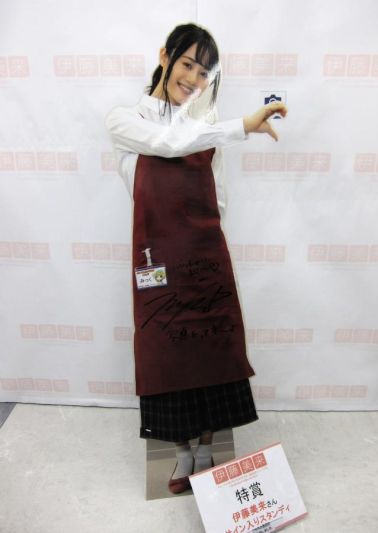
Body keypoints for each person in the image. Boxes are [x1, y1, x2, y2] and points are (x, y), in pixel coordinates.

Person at [105, 22, 287, 494]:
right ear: (165, 57)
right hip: (157, 263)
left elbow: (219, 198)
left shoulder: (206, 129)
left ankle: (206, 453)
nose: (193, 79)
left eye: (204, 73)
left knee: (213, 356)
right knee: (164, 357)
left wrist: (208, 248)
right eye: (187, 64)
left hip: (205, 260)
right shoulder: (125, 121)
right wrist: (242, 126)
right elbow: (168, 142)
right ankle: (183, 455)